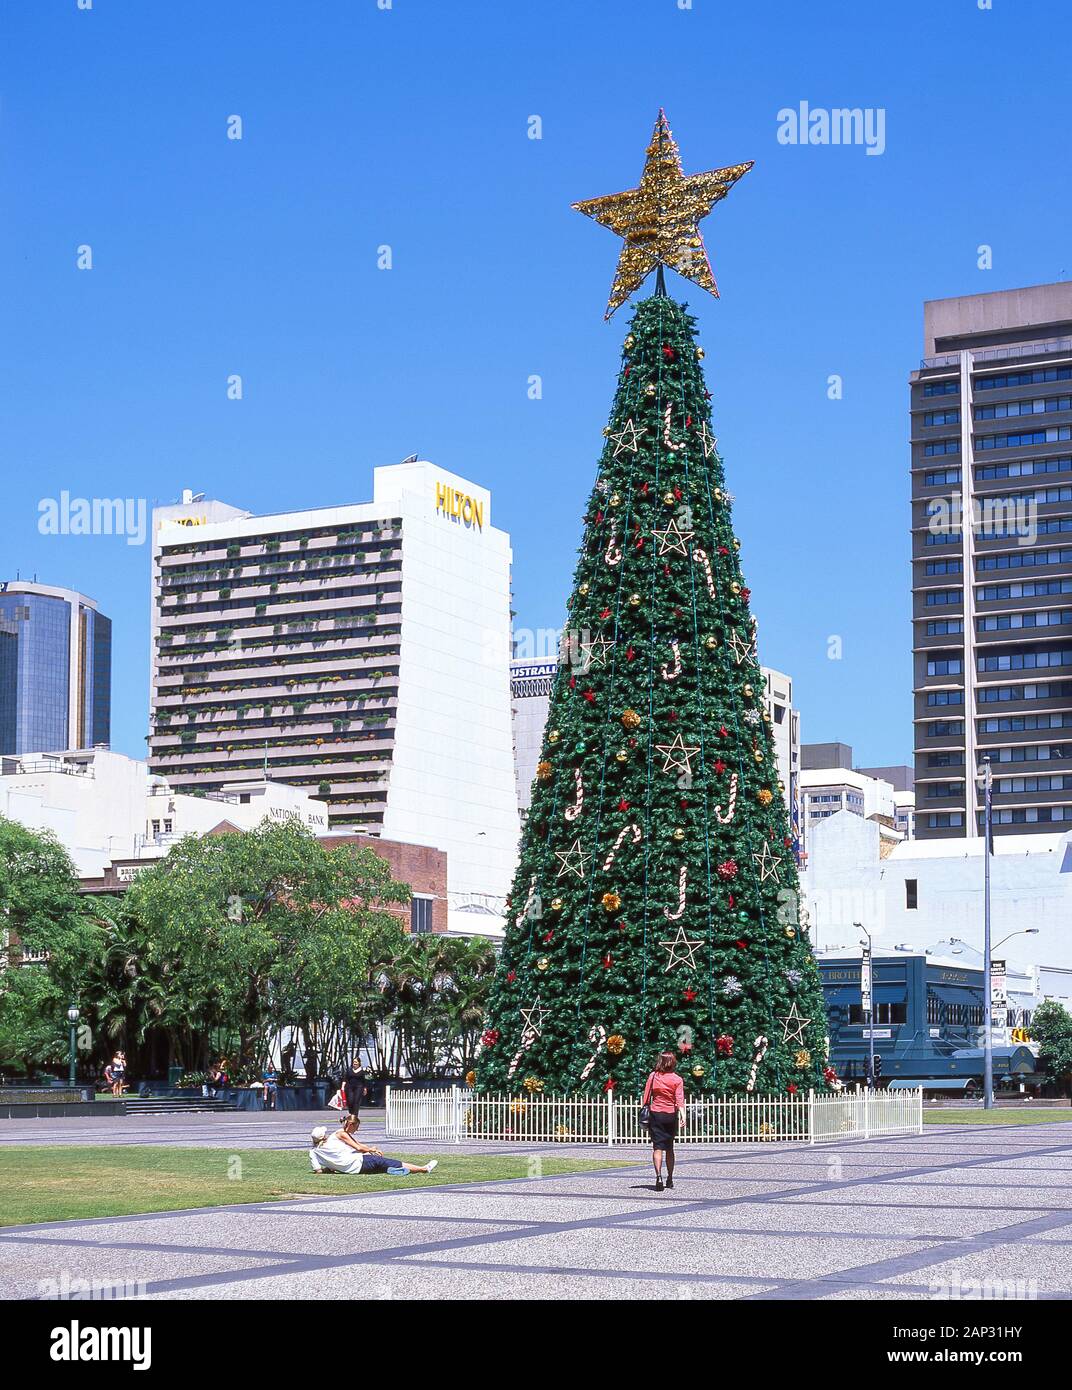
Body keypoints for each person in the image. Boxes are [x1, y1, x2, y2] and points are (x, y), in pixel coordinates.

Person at [308, 1116, 438, 1177]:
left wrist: (330, 1168)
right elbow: (358, 1147)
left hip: (352, 1170)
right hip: (358, 1162)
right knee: (391, 1162)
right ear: (324, 1136)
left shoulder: (314, 1152)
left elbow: (318, 1171)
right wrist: (371, 1149)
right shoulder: (338, 1134)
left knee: (381, 1166)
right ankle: (424, 1169)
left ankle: (391, 1170)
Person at [641, 1050, 686, 1192]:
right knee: (670, 1148)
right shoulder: (677, 1079)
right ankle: (670, 1178)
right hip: (670, 1115)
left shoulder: (653, 1076)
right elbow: (679, 1100)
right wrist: (683, 1115)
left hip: (656, 1114)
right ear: (673, 1062)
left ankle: (658, 1176)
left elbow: (646, 1097)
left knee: (657, 1147)